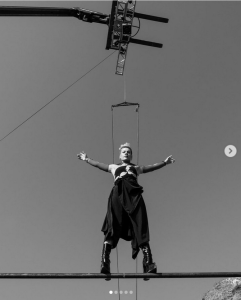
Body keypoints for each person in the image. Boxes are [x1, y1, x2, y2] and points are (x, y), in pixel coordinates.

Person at [77, 143, 175, 278]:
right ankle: (105, 262)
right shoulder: (113, 167)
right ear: (120, 154)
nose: (126, 153)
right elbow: (99, 165)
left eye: (129, 151)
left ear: (131, 155)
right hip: (118, 193)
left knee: (140, 224)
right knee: (113, 224)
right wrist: (86, 159)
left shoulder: (136, 168)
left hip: (134, 196)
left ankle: (148, 262)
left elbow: (150, 167)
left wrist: (165, 163)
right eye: (124, 151)